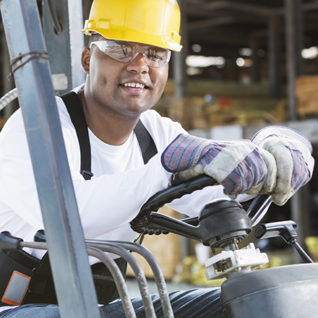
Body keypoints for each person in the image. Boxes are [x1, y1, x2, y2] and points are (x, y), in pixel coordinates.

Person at [0, 0, 314, 317]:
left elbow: (220, 188)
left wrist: (277, 150)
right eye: (121, 48)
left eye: (155, 54)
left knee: (246, 300)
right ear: (87, 58)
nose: (139, 65)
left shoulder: (155, 133)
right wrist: (167, 172)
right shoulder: (39, 125)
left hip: (93, 308)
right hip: (14, 309)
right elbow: (67, 218)